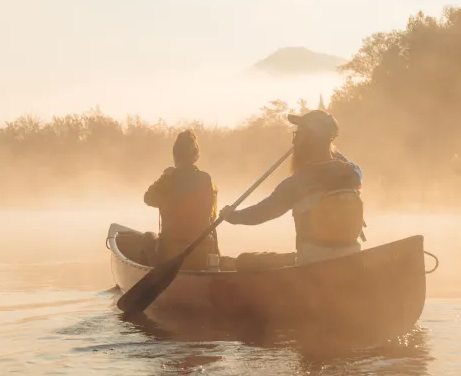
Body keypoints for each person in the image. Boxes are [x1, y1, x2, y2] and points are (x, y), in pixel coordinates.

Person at [219, 110, 364, 265]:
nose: (294, 142)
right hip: (350, 260)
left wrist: (233, 216)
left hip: (311, 265)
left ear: (310, 140)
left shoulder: (297, 183)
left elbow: (262, 212)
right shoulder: (352, 174)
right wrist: (329, 147)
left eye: (299, 135)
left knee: (245, 261)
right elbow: (350, 165)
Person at [142, 129, 219, 270]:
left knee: (148, 238)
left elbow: (148, 198)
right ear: (196, 155)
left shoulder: (169, 179)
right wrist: (215, 253)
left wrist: (165, 175)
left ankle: (155, 273)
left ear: (175, 155)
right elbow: (212, 218)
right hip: (202, 251)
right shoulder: (207, 180)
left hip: (172, 253)